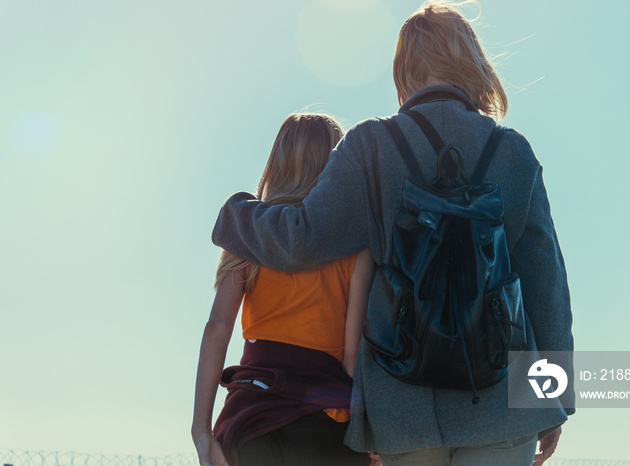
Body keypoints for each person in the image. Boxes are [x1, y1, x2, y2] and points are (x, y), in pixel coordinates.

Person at [211, 2, 574, 465]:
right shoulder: (514, 152)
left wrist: (236, 214)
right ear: (473, 62)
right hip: (502, 400)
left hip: (403, 405)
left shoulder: (370, 145)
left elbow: (303, 240)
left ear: (404, 69)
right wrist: (555, 399)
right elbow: (547, 288)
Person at [192, 112, 375, 466]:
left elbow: (217, 328)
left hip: (252, 418)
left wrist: (201, 430)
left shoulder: (249, 234)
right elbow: (354, 360)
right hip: (324, 424)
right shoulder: (355, 246)